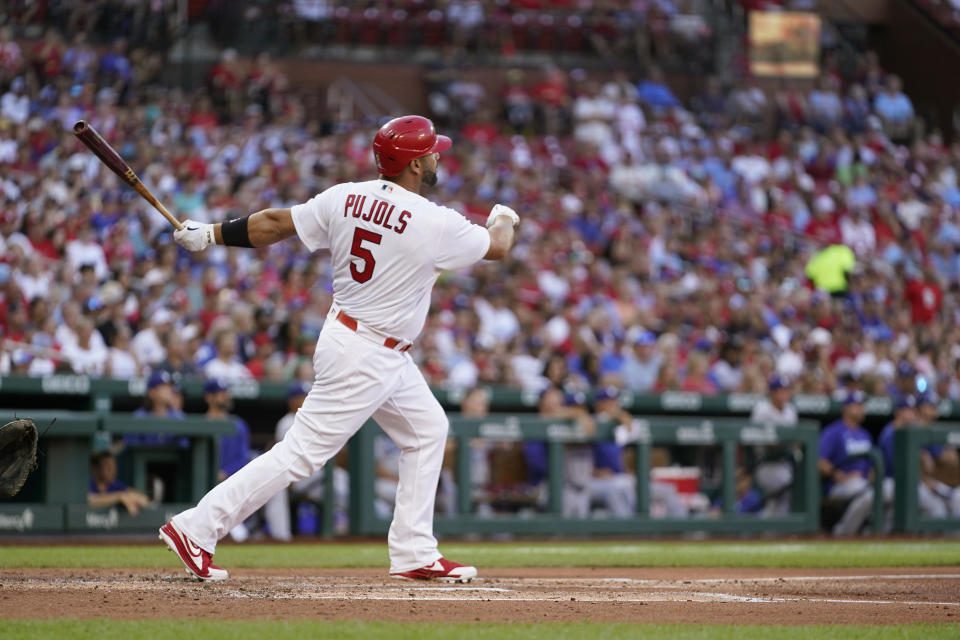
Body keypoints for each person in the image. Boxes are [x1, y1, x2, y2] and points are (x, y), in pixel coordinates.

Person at [161, 115, 517, 582]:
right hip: (365, 353)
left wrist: (210, 233)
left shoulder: (346, 196)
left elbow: (272, 223)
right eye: (431, 152)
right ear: (413, 164)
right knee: (302, 453)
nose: (437, 158)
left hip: (362, 342)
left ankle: (413, 550)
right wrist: (504, 216)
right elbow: (498, 246)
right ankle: (197, 527)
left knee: (428, 428)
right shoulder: (436, 221)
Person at [263, 381, 349, 540]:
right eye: (301, 397)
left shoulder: (312, 418)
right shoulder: (287, 422)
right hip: (301, 476)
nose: (305, 399)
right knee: (339, 485)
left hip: (318, 473)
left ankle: (347, 526)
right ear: (292, 400)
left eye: (306, 396)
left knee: (343, 480)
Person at [818, 391, 875, 536]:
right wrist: (837, 474)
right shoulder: (834, 431)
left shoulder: (865, 434)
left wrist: (872, 475)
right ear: (846, 408)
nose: (861, 409)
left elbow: (872, 466)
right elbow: (820, 461)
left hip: (863, 483)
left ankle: (879, 532)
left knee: (887, 492)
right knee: (868, 495)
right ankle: (843, 532)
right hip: (840, 485)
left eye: (862, 406)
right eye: (856, 405)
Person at [749, 375, 799, 515]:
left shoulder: (790, 410)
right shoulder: (762, 410)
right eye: (780, 391)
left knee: (782, 499)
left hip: (786, 463)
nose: (785, 394)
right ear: (772, 392)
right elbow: (767, 444)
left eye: (787, 390)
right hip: (766, 464)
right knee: (783, 489)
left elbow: (797, 440)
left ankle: (774, 530)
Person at [88, 451, 150, 517]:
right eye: (106, 465)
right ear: (95, 468)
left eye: (113, 465)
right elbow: (89, 500)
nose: (111, 469)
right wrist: (119, 497)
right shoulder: (88, 483)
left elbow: (143, 499)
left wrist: (133, 499)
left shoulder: (115, 484)